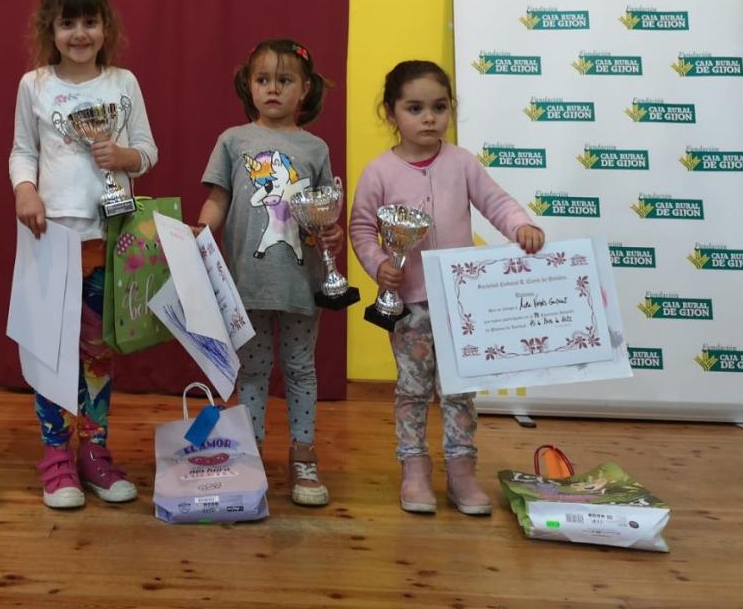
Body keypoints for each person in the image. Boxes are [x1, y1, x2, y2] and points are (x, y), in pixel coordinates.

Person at [349, 60, 544, 516]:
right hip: (409, 305)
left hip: (463, 302)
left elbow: (496, 201)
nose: (429, 118)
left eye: (439, 107)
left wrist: (521, 226)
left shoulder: (462, 163)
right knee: (413, 390)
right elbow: (361, 228)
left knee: (459, 390)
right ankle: (414, 469)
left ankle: (461, 471)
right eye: (415, 108)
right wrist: (380, 265)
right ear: (390, 112)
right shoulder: (379, 171)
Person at [8, 0, 158, 509]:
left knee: (97, 353)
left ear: (105, 27)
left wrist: (126, 158)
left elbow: (148, 149)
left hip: (107, 238)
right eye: (67, 22)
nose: (79, 33)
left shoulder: (123, 83)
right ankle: (55, 457)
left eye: (89, 21)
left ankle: (94, 452)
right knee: (51, 352)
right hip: (51, 236)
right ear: (50, 28)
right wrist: (25, 191)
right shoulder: (35, 85)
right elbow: (22, 151)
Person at [196, 39, 344, 507]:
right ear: (249, 86)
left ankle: (302, 456)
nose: (273, 89)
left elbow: (324, 212)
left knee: (301, 369)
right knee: (254, 370)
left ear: (305, 90)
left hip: (301, 281)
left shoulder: (315, 147)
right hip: (248, 282)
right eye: (263, 80)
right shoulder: (232, 140)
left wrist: (332, 234)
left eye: (284, 81)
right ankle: (250, 453)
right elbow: (219, 198)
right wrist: (200, 233)